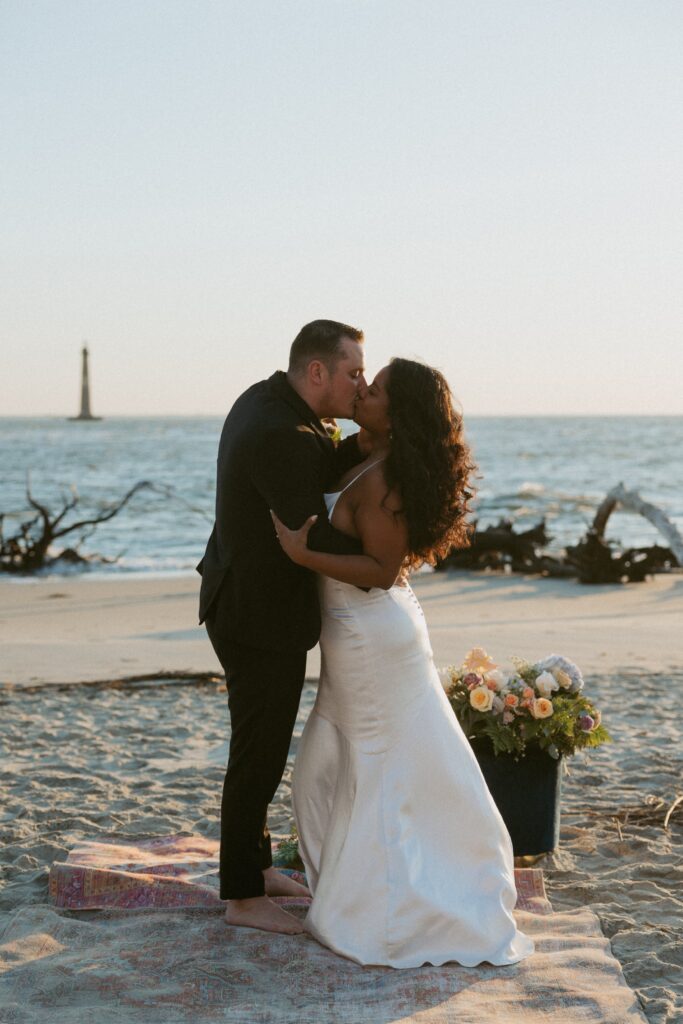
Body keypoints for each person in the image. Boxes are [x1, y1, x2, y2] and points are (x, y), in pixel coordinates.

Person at [271, 358, 535, 967]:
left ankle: (386, 913)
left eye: (379, 388)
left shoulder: (386, 480)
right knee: (324, 764)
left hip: (370, 634)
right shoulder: (371, 457)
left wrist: (303, 554)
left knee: (380, 768)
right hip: (360, 633)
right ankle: (352, 884)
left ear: (401, 414)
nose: (365, 390)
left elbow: (381, 571)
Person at [197, 319, 369, 935]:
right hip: (257, 617)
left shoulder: (265, 397)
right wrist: (388, 549)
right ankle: (242, 897)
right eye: (353, 373)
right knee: (258, 753)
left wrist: (372, 437)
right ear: (317, 372)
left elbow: (315, 461)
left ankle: (256, 865)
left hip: (235, 595)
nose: (362, 383)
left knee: (261, 746)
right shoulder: (282, 433)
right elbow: (315, 536)